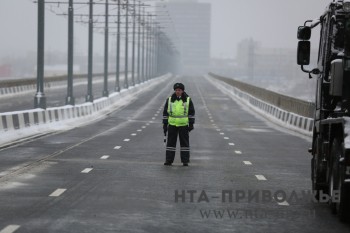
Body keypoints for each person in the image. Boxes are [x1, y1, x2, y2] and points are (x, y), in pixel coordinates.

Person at [162, 83, 195, 166]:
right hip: (172, 125)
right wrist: (165, 125)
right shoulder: (169, 100)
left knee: (184, 144)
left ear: (182, 91)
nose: (177, 92)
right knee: (170, 144)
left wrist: (191, 124)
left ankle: (185, 161)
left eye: (179, 90)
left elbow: (191, 112)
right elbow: (165, 113)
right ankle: (168, 160)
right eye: (176, 90)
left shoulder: (187, 100)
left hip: (183, 125)